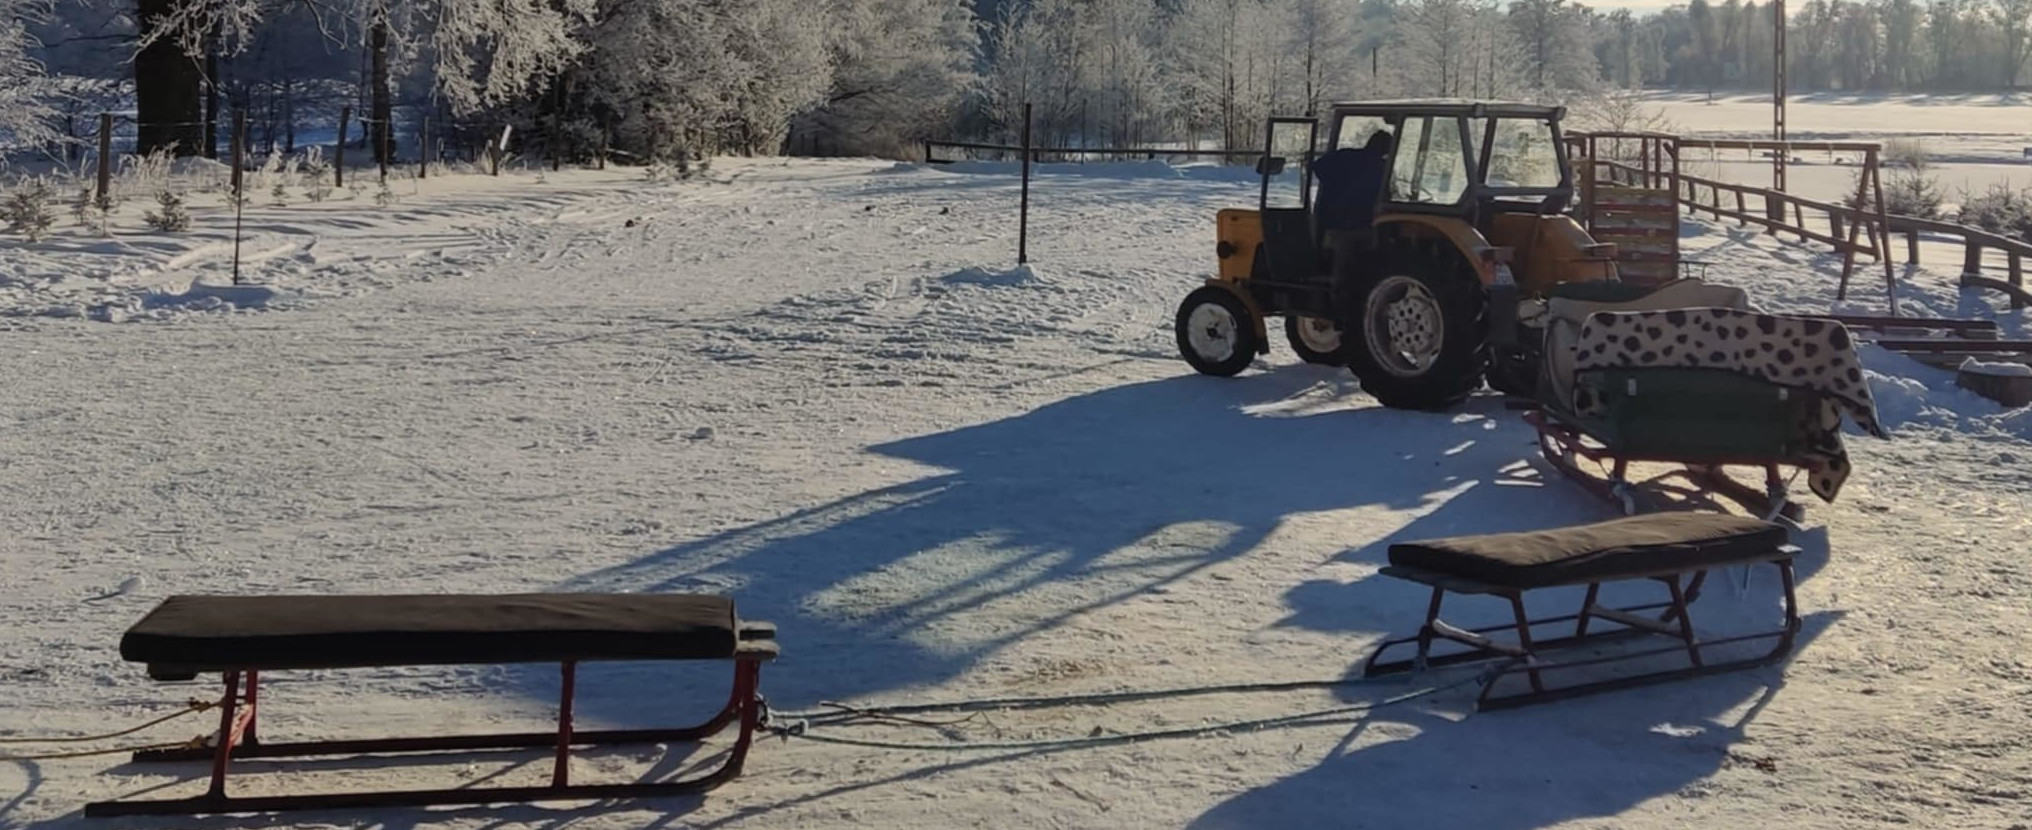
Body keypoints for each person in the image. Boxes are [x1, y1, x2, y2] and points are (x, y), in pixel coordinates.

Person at [1310, 129, 1392, 233]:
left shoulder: (1345, 155)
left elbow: (1318, 166)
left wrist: (1334, 186)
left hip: (1338, 217)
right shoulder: (1379, 167)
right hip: (1354, 220)